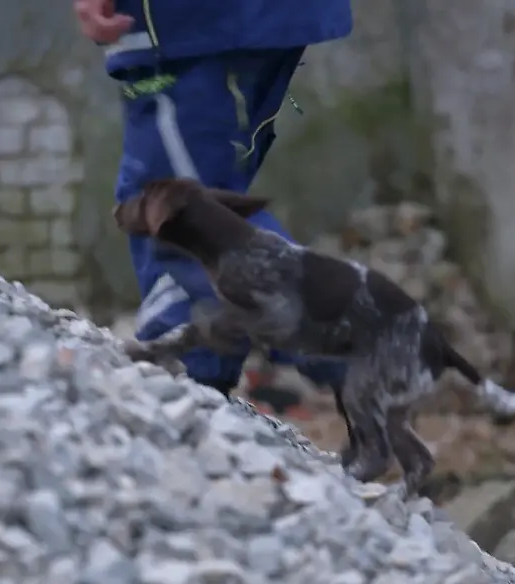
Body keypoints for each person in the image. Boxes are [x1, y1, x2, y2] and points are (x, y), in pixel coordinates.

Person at [73, 0, 352, 398]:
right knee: (205, 195)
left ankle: (353, 335)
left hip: (180, 23)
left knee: (169, 206)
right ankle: (198, 378)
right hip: (269, 16)